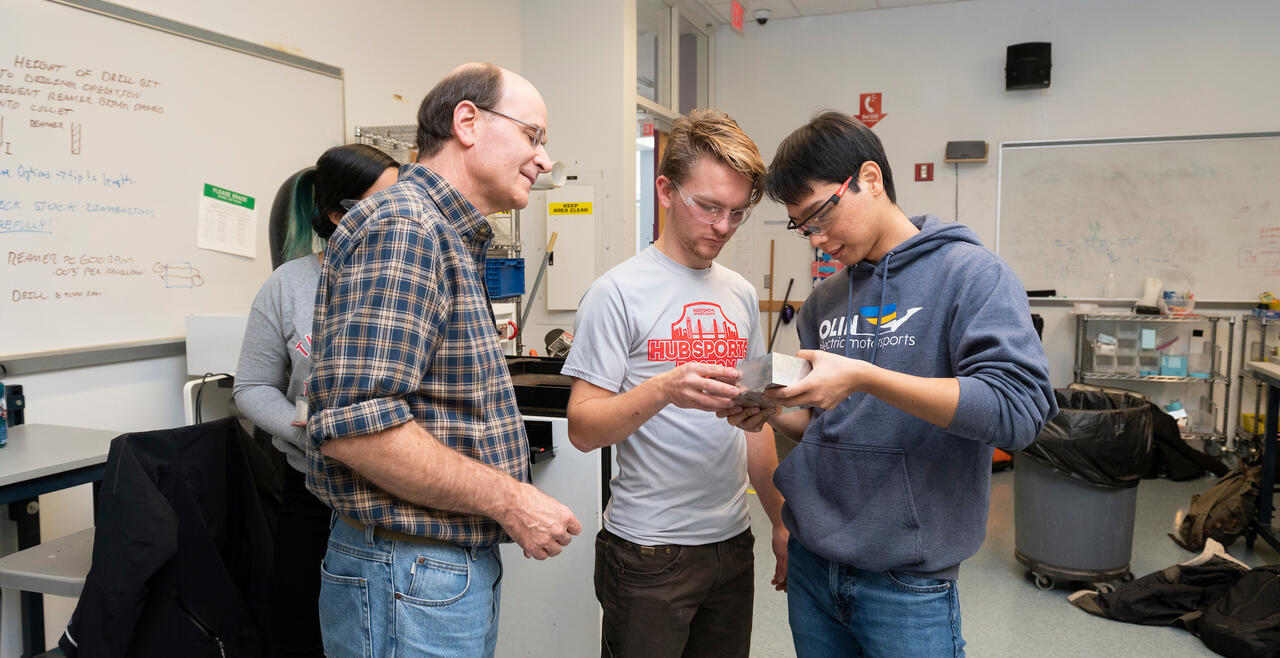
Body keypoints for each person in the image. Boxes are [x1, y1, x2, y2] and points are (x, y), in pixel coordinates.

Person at [723, 111, 1057, 656]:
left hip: (907, 581)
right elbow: (825, 427)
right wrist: (772, 410)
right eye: (802, 227)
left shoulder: (972, 277)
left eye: (821, 215)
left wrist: (865, 378)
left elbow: (1018, 412)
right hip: (813, 564)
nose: (816, 239)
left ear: (870, 179)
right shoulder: (824, 302)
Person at [305, 62, 581, 658]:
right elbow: (358, 428)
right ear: (467, 122)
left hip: (427, 569)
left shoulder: (443, 233)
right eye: (533, 136)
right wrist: (512, 499)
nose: (544, 160)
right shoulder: (406, 228)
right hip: (406, 568)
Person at [563, 108, 787, 658]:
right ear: (665, 190)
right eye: (708, 206)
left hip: (732, 545)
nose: (723, 226)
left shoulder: (737, 293)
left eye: (737, 212)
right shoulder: (616, 293)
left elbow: (753, 420)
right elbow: (583, 428)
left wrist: (781, 521)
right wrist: (662, 388)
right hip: (649, 552)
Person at [233, 143, 398, 657]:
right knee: (305, 632)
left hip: (396, 494)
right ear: (337, 215)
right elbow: (252, 387)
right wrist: (304, 428)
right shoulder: (288, 286)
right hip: (313, 492)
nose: (400, 215)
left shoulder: (409, 277)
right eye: (384, 203)